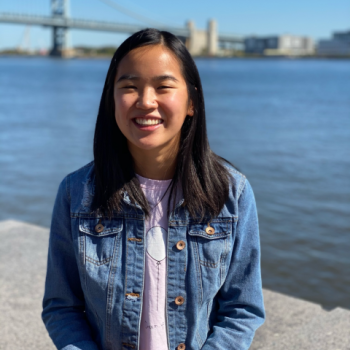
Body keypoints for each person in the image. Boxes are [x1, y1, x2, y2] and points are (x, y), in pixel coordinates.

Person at [42, 28, 265, 350]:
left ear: (192, 101)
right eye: (129, 87)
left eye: (163, 87)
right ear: (111, 100)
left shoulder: (232, 193)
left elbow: (242, 309)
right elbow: (62, 307)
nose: (146, 101)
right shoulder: (76, 193)